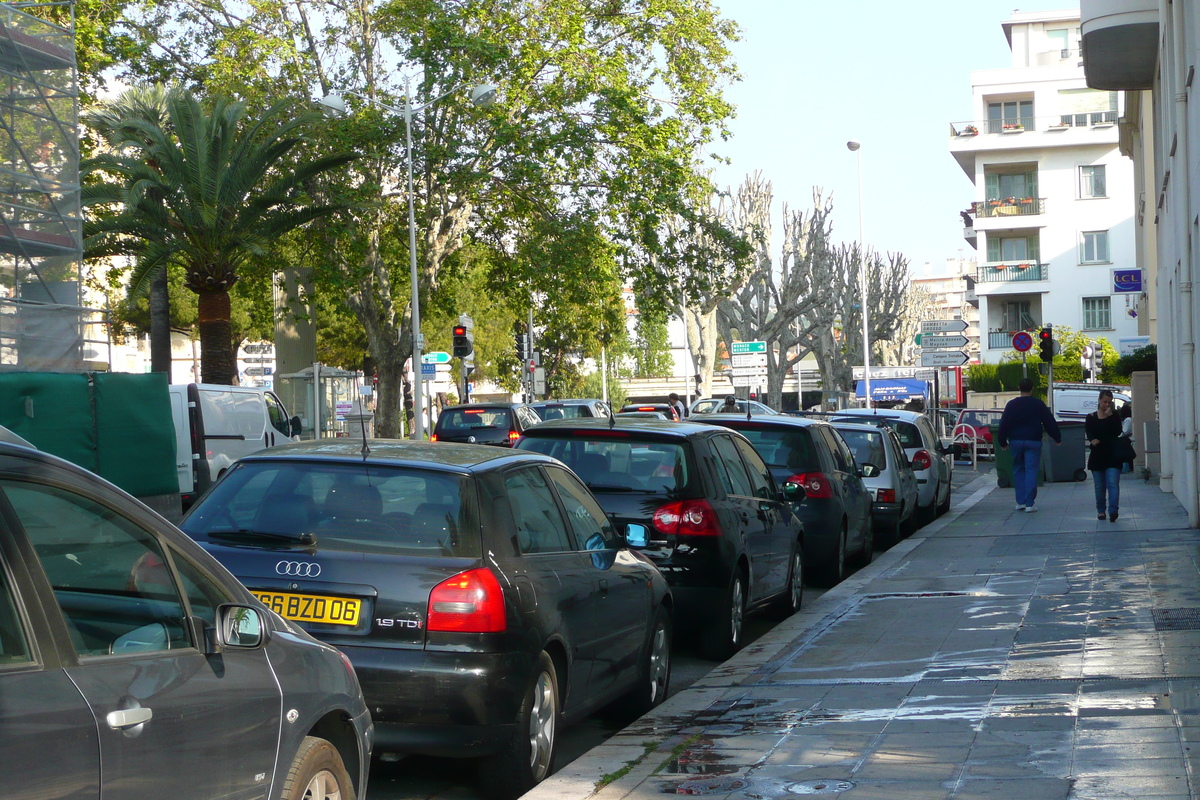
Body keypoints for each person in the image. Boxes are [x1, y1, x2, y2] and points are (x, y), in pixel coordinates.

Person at [997, 377, 1061, 513]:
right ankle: (1030, 504)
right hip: (1033, 441)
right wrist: (1057, 437)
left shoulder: (1011, 405)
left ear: (1019, 389)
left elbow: (1003, 424)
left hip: (1016, 441)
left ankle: (1020, 501)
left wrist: (1002, 441)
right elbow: (1049, 421)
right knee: (1031, 471)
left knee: (1018, 470)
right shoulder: (1038, 404)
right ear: (1032, 388)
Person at [1087, 390, 1125, 521]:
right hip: (1097, 456)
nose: (1107, 405)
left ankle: (1113, 510)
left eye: (1109, 402)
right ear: (1099, 401)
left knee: (1113, 483)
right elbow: (1089, 433)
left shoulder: (1114, 416)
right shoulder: (1091, 417)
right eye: (1104, 402)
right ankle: (1101, 510)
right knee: (1099, 486)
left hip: (1113, 455)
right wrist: (1092, 440)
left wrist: (1111, 417)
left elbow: (1118, 431)